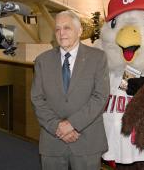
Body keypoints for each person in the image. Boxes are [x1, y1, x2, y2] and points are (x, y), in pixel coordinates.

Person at [31, 10, 110, 170]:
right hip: (53, 141)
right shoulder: (42, 61)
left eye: (67, 28)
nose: (61, 33)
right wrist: (57, 126)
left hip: (87, 141)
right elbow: (37, 99)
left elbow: (100, 97)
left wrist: (72, 124)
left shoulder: (98, 58)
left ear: (79, 30)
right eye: (58, 29)